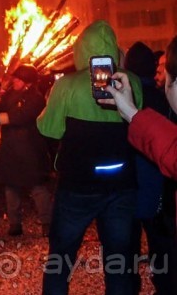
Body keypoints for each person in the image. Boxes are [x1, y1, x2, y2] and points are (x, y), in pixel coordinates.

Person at [37, 20, 143, 294]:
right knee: (119, 260)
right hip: (122, 183)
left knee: (61, 257)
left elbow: (49, 128)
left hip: (78, 185)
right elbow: (138, 123)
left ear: (80, 49)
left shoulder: (68, 85)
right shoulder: (129, 80)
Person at [101, 35, 177, 295]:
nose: (163, 81)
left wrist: (132, 114)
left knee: (128, 246)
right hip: (157, 187)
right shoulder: (158, 98)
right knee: (162, 243)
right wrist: (133, 113)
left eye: (166, 74)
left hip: (132, 184)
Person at [0, 64, 51, 236]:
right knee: (11, 187)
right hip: (10, 147)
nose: (14, 81)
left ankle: (47, 222)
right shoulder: (10, 94)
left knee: (37, 186)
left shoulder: (36, 98)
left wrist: (3, 117)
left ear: (28, 82)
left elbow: (21, 116)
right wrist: (0, 95)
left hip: (29, 148)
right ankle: (14, 224)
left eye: (18, 79)